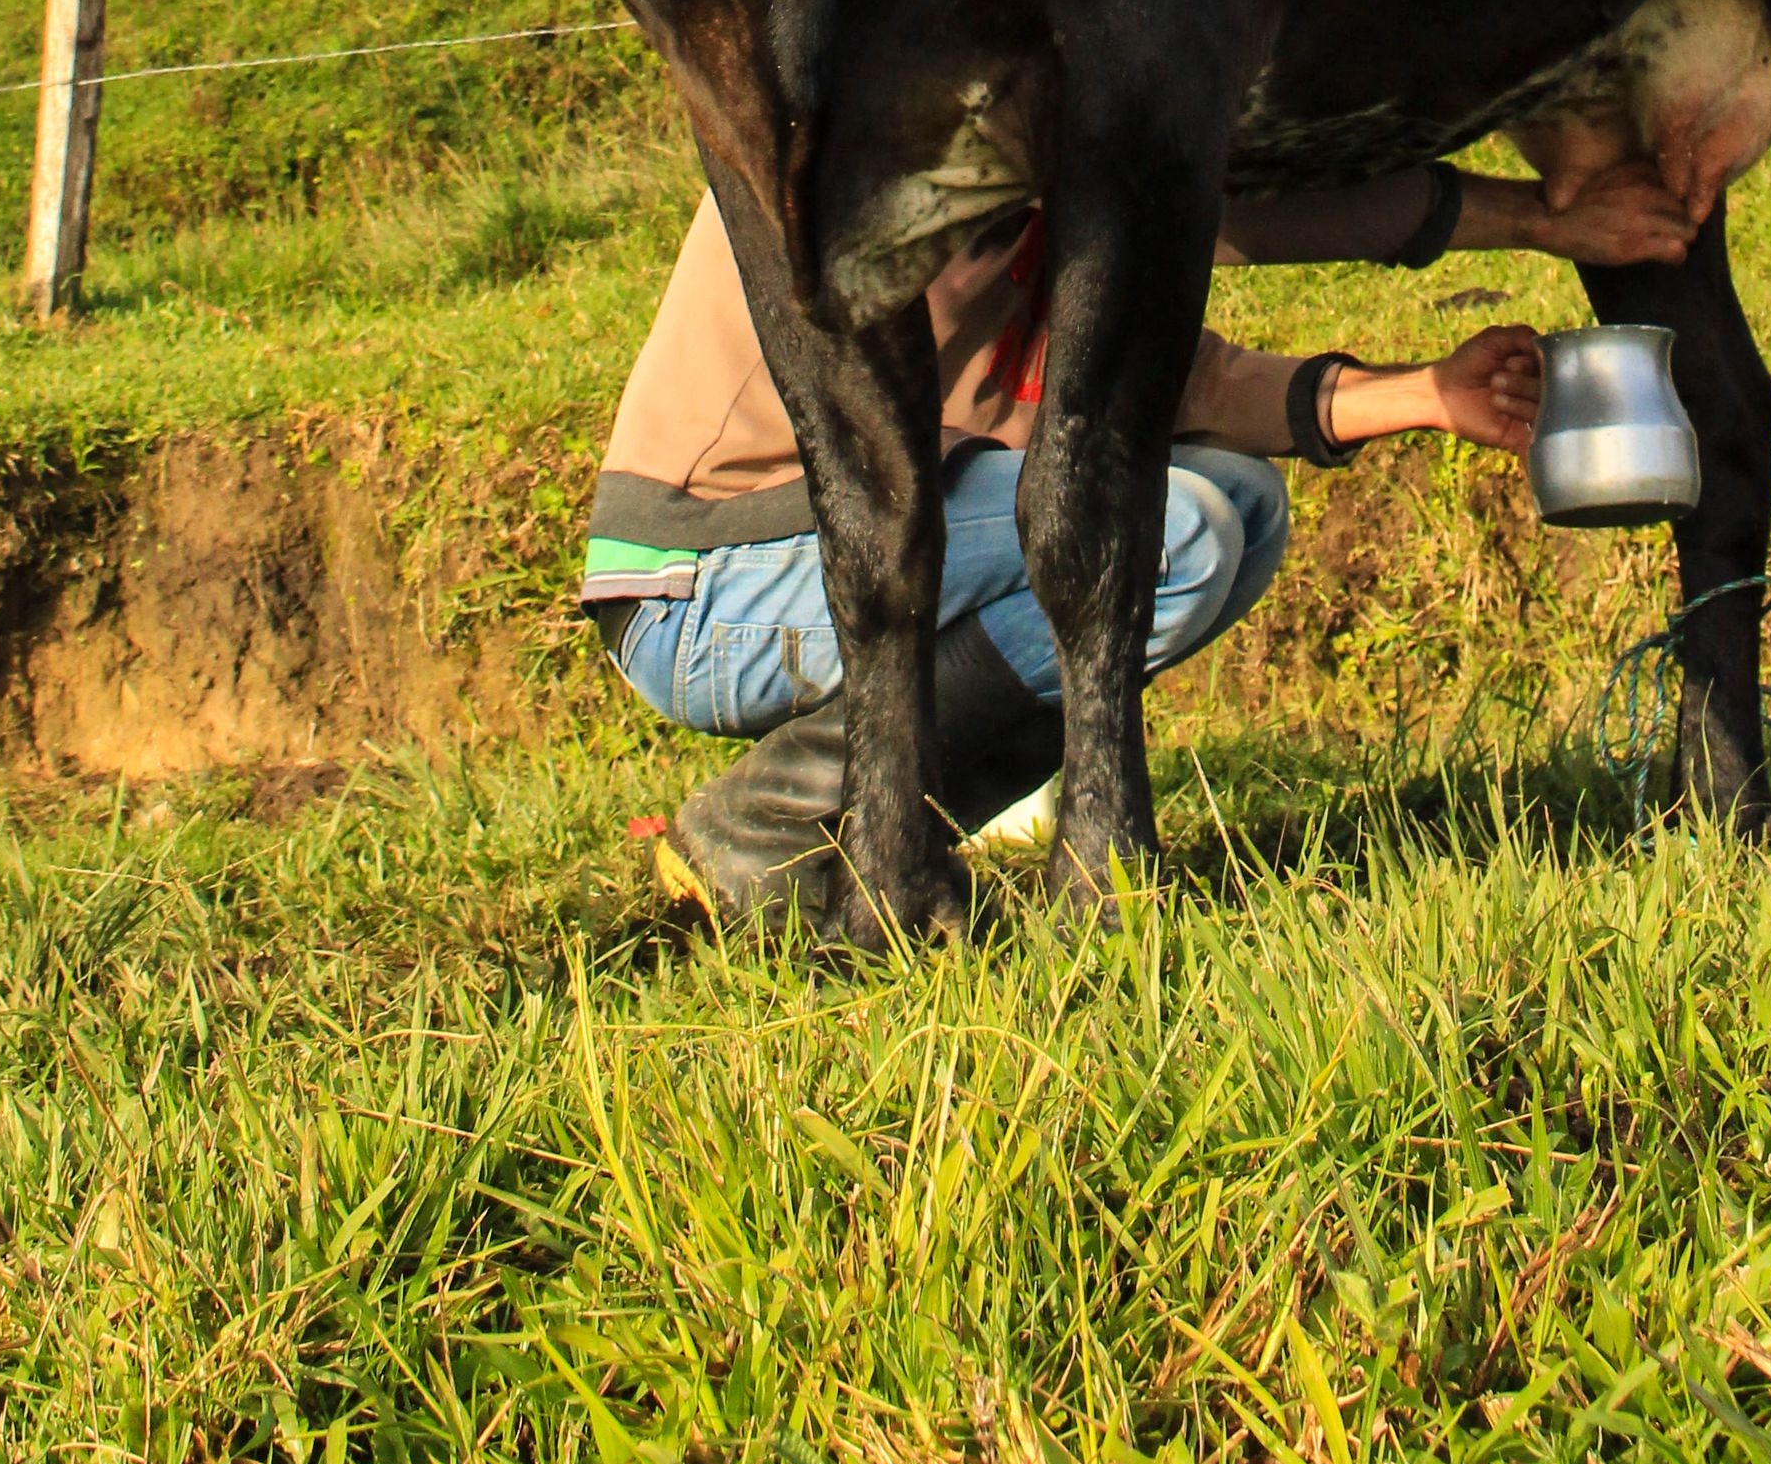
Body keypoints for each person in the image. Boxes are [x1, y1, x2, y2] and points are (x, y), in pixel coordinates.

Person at [584, 145, 1689, 921]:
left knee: (1235, 508)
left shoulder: (1034, 189)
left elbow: (1185, 378)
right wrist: (1532, 216)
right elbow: (1237, 204)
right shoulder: (904, 145)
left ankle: (876, 833)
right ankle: (769, 826)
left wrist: (1428, 394)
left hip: (838, 559)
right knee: (1168, 533)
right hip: (711, 582)